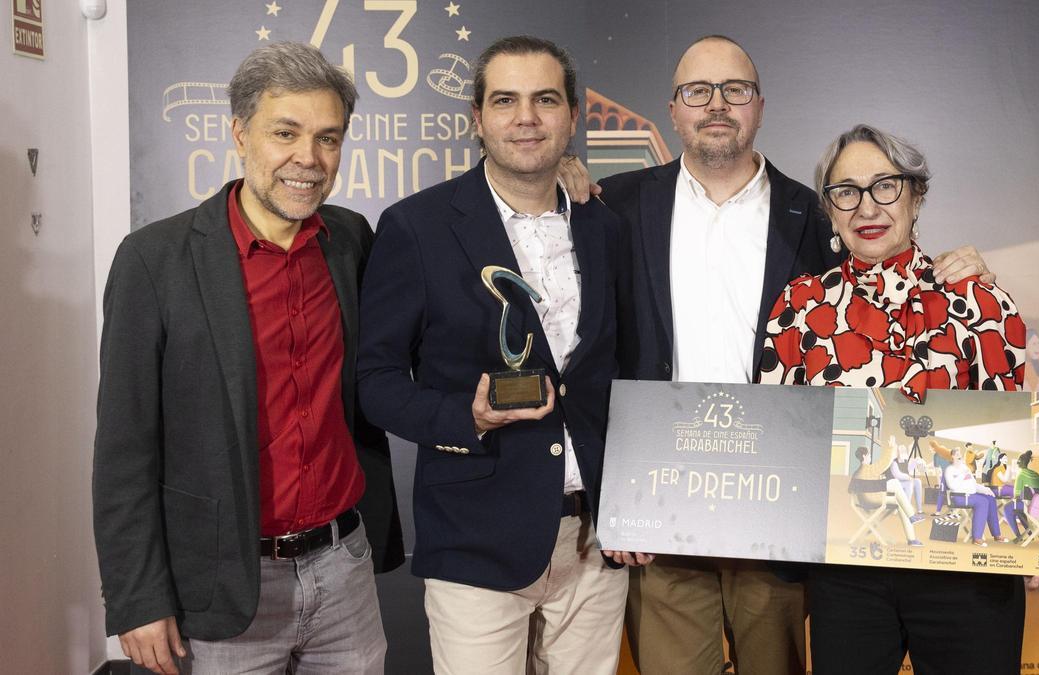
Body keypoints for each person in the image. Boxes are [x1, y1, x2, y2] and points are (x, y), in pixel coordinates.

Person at [561, 35, 994, 675]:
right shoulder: (612, 204)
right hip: (659, 510)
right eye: (697, 91)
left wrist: (960, 270)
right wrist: (561, 170)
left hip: (778, 516)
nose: (717, 104)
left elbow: (887, 290)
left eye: (735, 90)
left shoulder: (816, 217)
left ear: (760, 107)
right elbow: (589, 344)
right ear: (673, 110)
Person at [93, 42, 404, 675]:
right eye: (285, 133)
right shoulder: (155, 260)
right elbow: (125, 446)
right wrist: (137, 597)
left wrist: (548, 178)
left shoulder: (350, 240)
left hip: (344, 569)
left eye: (327, 138)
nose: (308, 158)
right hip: (221, 583)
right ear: (239, 133)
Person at [356, 36, 649, 674]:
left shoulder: (604, 225)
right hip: (475, 539)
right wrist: (467, 416)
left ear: (573, 115)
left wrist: (634, 509)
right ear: (477, 118)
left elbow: (626, 372)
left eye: (545, 100)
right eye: (505, 100)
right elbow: (375, 381)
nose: (526, 118)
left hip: (594, 541)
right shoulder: (417, 227)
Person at [759, 123, 1039, 673]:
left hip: (969, 569)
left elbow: (1013, 430)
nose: (867, 206)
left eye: (885, 185)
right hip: (848, 572)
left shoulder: (979, 299)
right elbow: (781, 434)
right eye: (847, 191)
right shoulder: (800, 307)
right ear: (830, 210)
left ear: (916, 196)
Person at [850, 446, 925, 546]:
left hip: (868, 498)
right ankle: (911, 517)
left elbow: (868, 485)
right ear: (864, 456)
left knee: (900, 502)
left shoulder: (859, 472)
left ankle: (911, 537)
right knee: (895, 483)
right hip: (871, 500)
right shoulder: (867, 468)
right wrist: (890, 449)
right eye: (869, 455)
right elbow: (883, 463)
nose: (870, 456)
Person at [944, 448, 1010, 547]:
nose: (959, 456)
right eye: (957, 454)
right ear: (952, 456)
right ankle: (977, 538)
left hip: (971, 495)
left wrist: (986, 490)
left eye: (960, 454)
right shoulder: (949, 470)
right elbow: (952, 486)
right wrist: (962, 476)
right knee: (982, 502)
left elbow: (973, 484)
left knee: (990, 498)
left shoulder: (965, 468)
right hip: (959, 497)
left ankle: (997, 534)